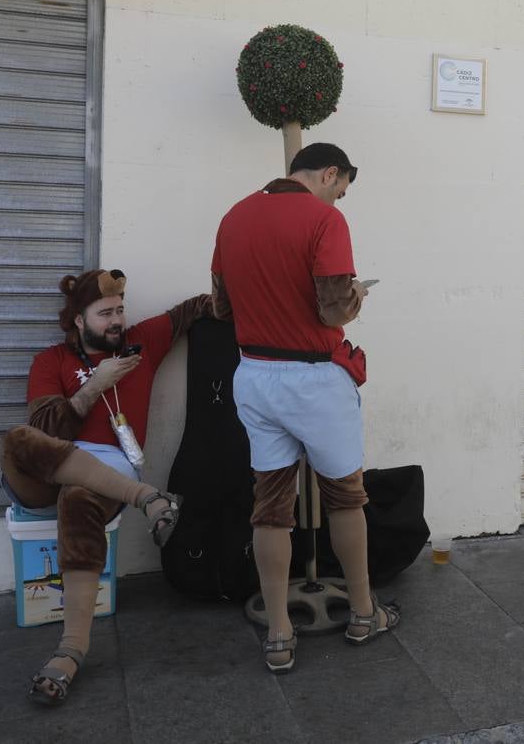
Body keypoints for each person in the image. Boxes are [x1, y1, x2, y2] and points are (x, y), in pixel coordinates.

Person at [211, 142, 400, 673]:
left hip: (254, 375)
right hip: (314, 380)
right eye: (340, 191)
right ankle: (364, 612)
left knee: (270, 505)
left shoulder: (234, 216)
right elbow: (334, 306)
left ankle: (278, 633)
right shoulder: (323, 221)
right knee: (345, 497)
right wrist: (358, 294)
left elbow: (221, 305)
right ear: (328, 174)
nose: (338, 202)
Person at [0, 268, 210, 704]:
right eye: (104, 313)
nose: (116, 320)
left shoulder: (142, 343)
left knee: (78, 499)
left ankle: (70, 651)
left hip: (105, 479)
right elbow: (44, 427)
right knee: (17, 438)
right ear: (79, 320)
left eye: (120, 310)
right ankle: (148, 499)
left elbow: (197, 308)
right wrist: (95, 386)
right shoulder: (50, 361)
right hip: (44, 474)